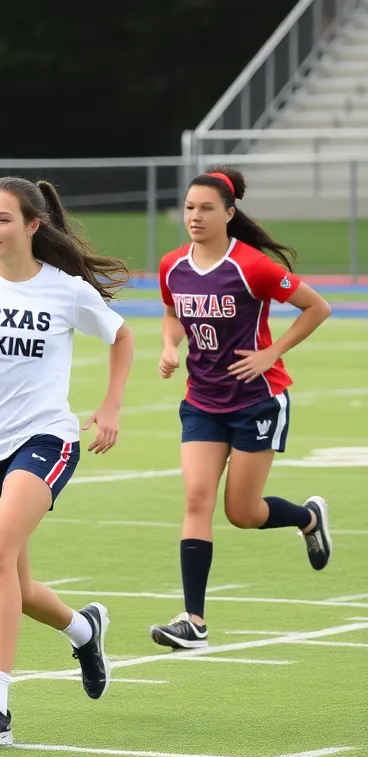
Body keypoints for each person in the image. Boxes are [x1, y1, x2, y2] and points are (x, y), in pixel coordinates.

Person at [0, 176, 134, 746]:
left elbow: (120, 336)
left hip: (46, 437)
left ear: (33, 225)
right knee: (16, 581)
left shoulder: (63, 289)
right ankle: (83, 629)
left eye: (3, 220)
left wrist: (111, 405)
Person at [150, 166, 333, 650]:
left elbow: (318, 307)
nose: (195, 216)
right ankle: (194, 621)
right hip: (202, 402)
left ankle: (307, 519)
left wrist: (273, 353)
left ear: (230, 214)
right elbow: (172, 313)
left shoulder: (252, 266)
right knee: (196, 499)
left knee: (243, 512)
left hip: (257, 402)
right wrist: (171, 347)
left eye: (207, 208)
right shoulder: (172, 265)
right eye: (190, 207)